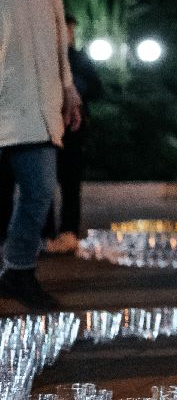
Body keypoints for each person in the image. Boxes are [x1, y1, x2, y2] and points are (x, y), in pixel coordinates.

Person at [0, 0, 81, 310]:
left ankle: (19, 271)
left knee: (40, 192)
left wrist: (68, 89)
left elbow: (58, 41)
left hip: (40, 111)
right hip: (3, 110)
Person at [40, 15, 101, 253]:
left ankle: (69, 232)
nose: (68, 34)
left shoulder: (79, 59)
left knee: (70, 183)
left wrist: (76, 89)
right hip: (45, 127)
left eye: (70, 30)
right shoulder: (43, 57)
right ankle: (45, 233)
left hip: (73, 130)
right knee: (43, 183)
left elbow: (97, 88)